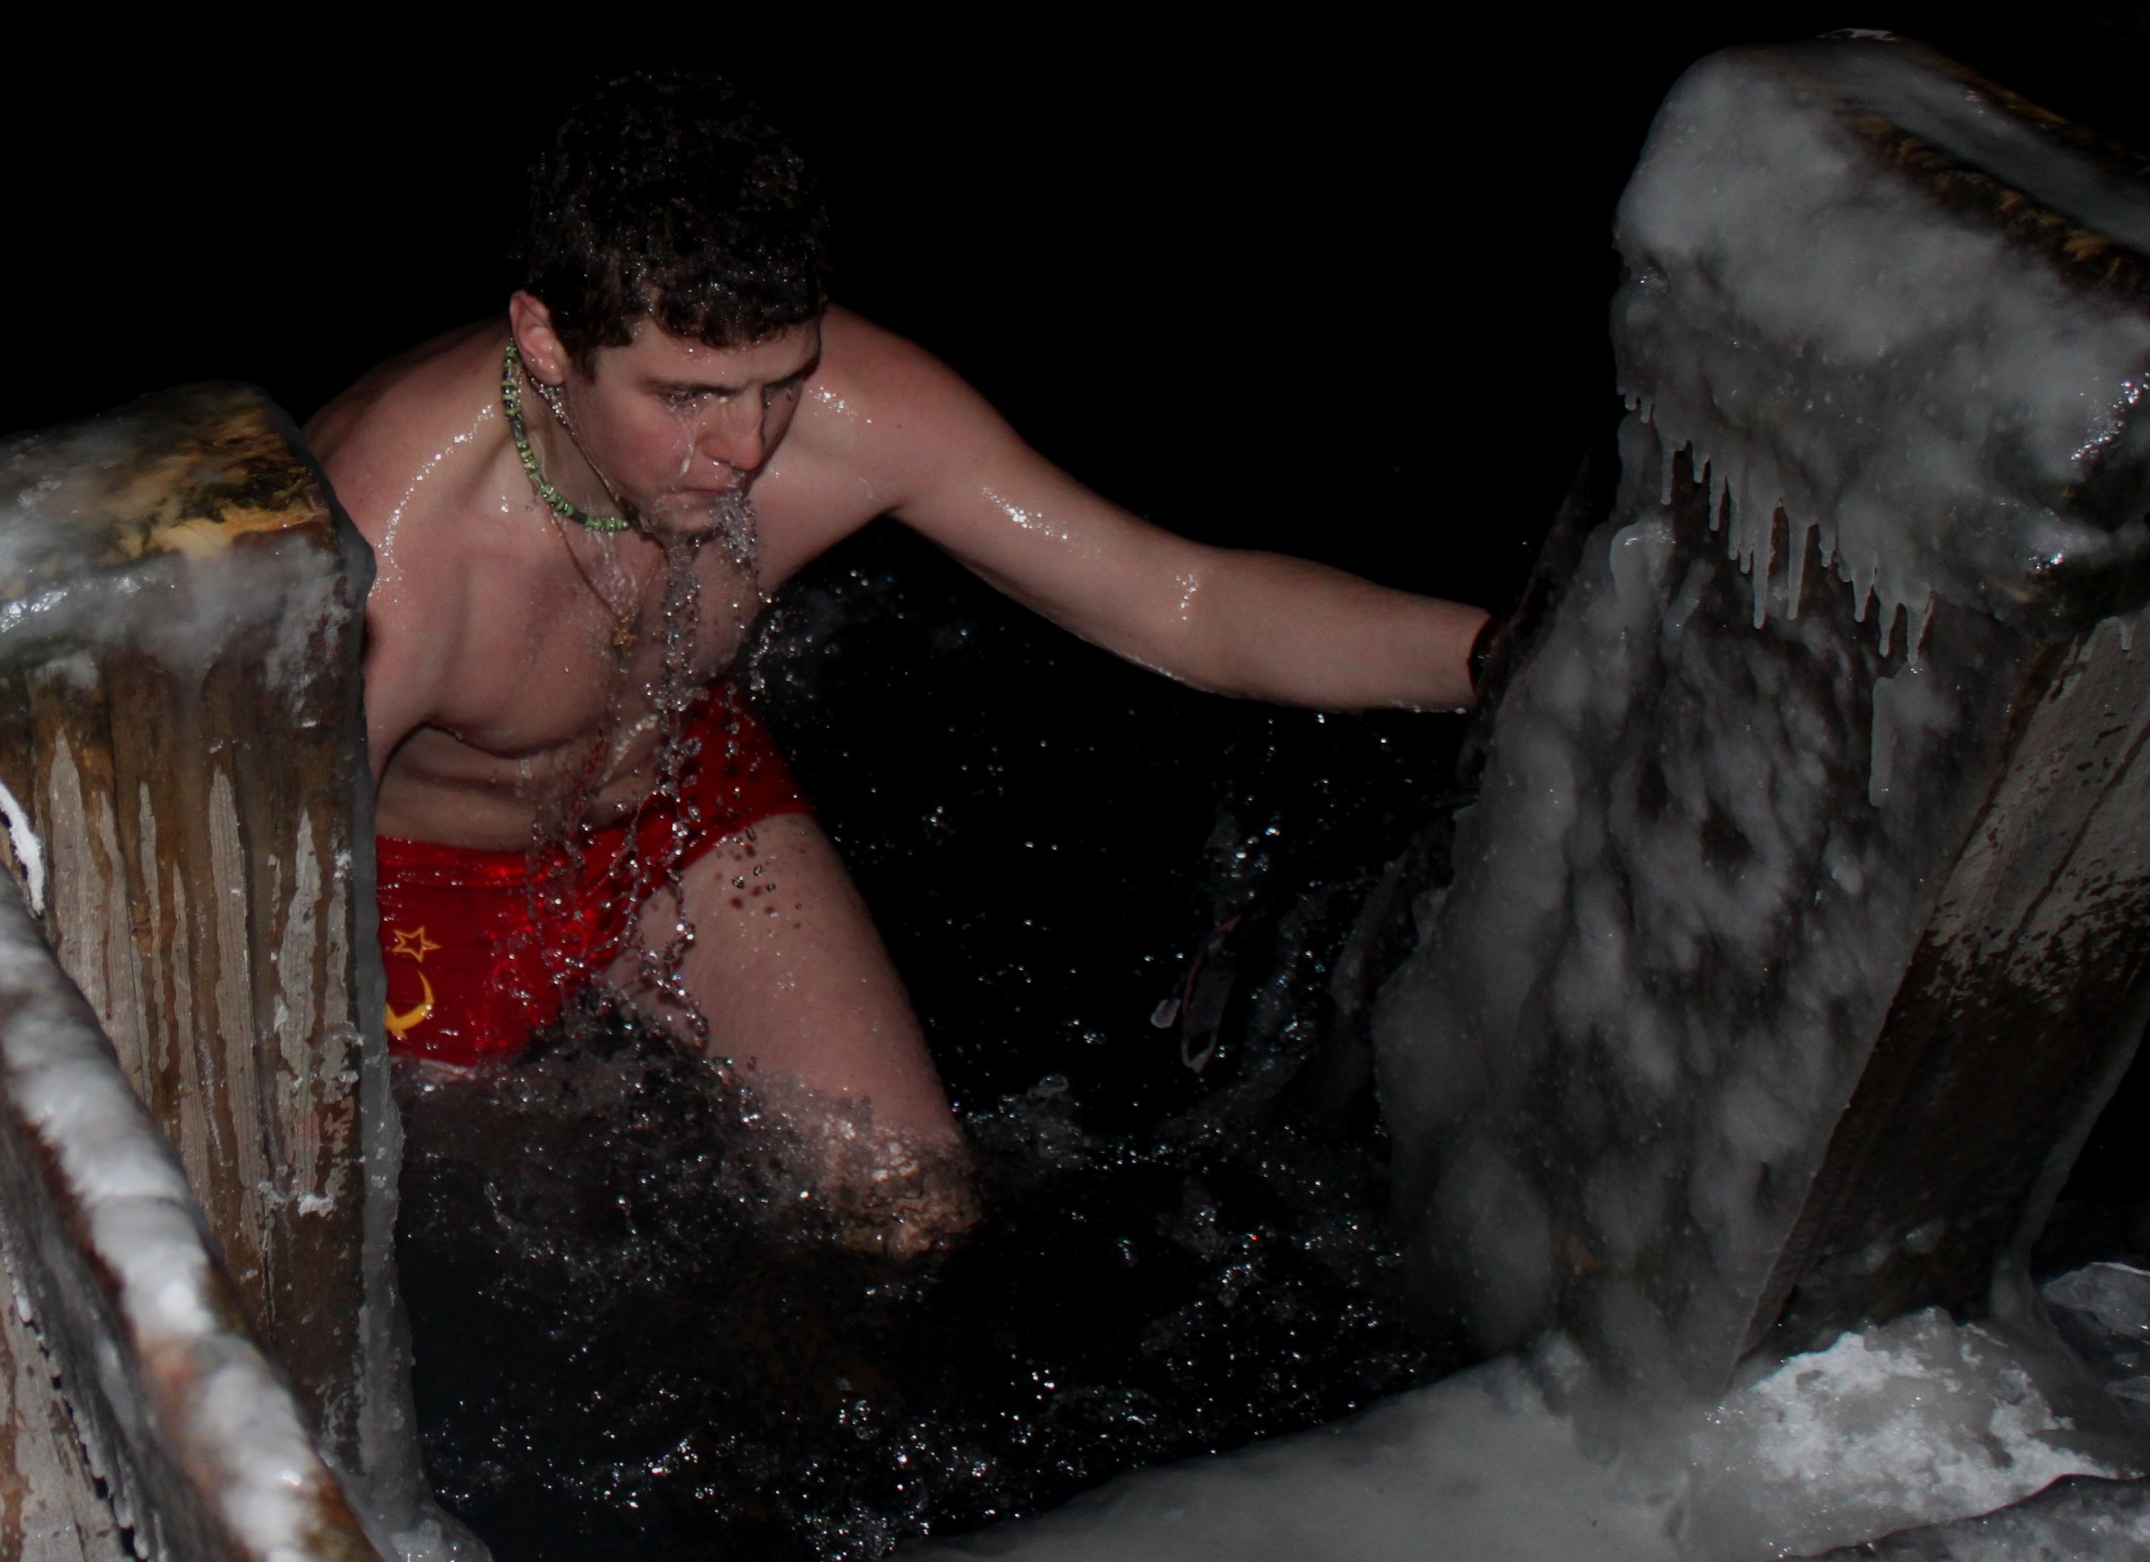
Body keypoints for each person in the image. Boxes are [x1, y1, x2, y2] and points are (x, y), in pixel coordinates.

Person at [308, 74, 1489, 1260]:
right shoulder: (383, 558)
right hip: (421, 885)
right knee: (492, 1233)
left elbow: (1188, 604)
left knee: (916, 1212)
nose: (744, 448)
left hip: (675, 792)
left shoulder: (853, 414)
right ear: (545, 341)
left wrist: (1499, 657)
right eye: (689, 397)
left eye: (780, 383)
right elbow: (253, 894)